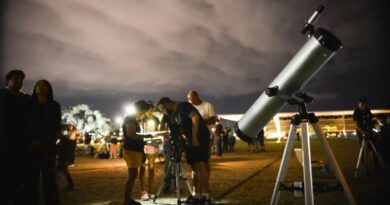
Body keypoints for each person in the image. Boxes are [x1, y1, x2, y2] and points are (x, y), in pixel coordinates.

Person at [157, 97, 211, 204]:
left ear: (166, 104)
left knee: (200, 164)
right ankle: (196, 194)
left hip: (199, 137)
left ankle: (205, 195)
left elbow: (195, 117)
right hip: (191, 139)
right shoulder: (174, 114)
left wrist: (195, 136)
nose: (162, 111)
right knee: (194, 167)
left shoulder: (183, 106)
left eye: (162, 109)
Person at [0, 70, 31, 205]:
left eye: (21, 80)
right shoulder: (2, 95)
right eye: (16, 79)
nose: (19, 82)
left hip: (21, 141)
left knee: (20, 172)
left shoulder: (25, 98)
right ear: (8, 80)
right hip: (4, 139)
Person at [29, 79, 62, 205]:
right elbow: (27, 124)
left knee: (49, 177)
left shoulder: (54, 105)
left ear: (49, 89)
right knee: (32, 178)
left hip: (48, 145)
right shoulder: (29, 104)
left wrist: (52, 141)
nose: (42, 88)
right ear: (35, 88)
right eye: (39, 85)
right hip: (32, 145)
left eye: (45, 86)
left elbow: (55, 125)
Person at [122, 100, 153, 205]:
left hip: (134, 150)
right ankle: (126, 200)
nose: (143, 114)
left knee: (133, 175)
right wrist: (145, 135)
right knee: (132, 175)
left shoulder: (132, 119)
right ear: (140, 109)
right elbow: (131, 134)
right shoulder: (130, 119)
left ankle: (128, 199)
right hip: (132, 150)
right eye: (143, 111)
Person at [187, 90, 216, 200]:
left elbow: (213, 119)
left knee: (204, 162)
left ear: (197, 96)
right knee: (195, 164)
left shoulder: (208, 106)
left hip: (204, 138)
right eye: (189, 100)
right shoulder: (190, 107)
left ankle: (205, 186)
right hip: (193, 138)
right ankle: (197, 187)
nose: (190, 101)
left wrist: (198, 122)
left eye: (192, 99)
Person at [139, 103, 160, 200]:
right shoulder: (140, 118)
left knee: (151, 167)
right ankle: (143, 191)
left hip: (151, 143)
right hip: (141, 144)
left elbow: (157, 130)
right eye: (148, 109)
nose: (150, 111)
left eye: (151, 109)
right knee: (142, 167)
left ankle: (151, 190)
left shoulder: (156, 119)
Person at [56, 124, 75, 191]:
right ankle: (69, 185)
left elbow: (63, 147)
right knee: (62, 171)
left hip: (63, 156)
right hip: (63, 156)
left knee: (62, 171)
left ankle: (69, 185)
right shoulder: (63, 137)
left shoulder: (62, 138)